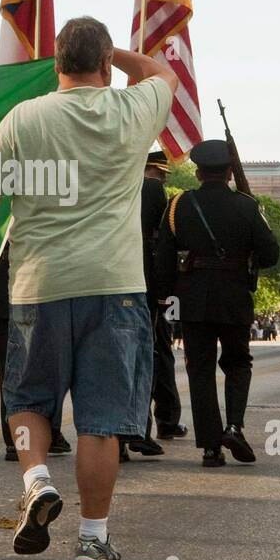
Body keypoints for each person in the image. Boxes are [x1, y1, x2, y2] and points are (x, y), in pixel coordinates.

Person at [0, 16, 177, 560]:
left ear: (56, 65)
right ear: (105, 65)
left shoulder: (22, 118)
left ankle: (35, 481)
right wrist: (113, 53)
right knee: (101, 421)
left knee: (28, 400)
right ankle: (93, 540)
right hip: (115, 287)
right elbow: (158, 72)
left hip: (38, 284)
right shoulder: (131, 111)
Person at [153, 139, 280, 468]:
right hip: (235, 296)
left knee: (201, 371)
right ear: (229, 172)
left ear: (197, 172)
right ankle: (234, 426)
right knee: (238, 363)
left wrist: (163, 294)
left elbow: (164, 255)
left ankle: (211, 447)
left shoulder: (179, 205)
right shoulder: (247, 206)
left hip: (194, 298)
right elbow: (271, 255)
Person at [122, 149, 185, 461]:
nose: (161, 180)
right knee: (143, 360)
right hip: (141, 285)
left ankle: (116, 437)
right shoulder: (151, 191)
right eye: (159, 174)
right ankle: (137, 431)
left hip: (107, 281)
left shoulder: (113, 185)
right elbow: (164, 244)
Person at [0, 242, 70, 462]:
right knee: (49, 364)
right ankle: (48, 432)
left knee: (9, 368)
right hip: (40, 283)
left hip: (7, 287)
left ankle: (14, 440)